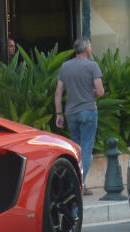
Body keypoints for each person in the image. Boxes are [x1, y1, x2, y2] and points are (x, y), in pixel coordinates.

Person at [54, 38, 105, 196]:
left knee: (75, 149)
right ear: (87, 49)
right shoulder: (92, 66)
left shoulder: (65, 66)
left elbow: (58, 92)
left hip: (71, 113)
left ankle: (74, 182)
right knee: (86, 148)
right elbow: (101, 91)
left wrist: (58, 114)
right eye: (90, 46)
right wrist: (91, 94)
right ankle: (81, 184)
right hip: (88, 110)